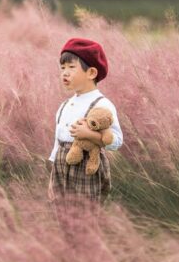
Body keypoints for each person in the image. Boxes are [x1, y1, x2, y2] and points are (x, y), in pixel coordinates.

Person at [47, 37, 123, 208]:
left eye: (71, 67)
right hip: (61, 165)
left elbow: (116, 142)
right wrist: (52, 178)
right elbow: (57, 144)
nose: (65, 73)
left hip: (87, 166)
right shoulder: (64, 106)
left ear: (91, 73)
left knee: (85, 213)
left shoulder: (102, 104)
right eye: (62, 68)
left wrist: (89, 135)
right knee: (61, 212)